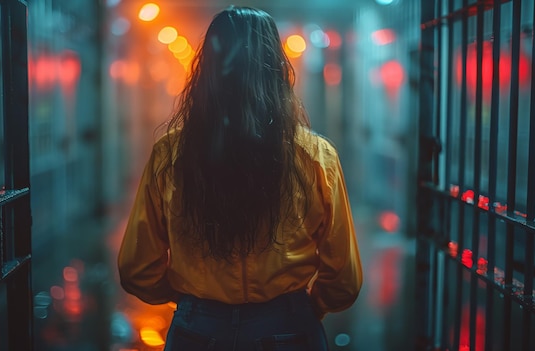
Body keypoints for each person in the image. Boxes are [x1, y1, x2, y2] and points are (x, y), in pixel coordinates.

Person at [118, 5, 363, 350]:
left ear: (208, 71)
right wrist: (306, 308)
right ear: (276, 69)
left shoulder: (170, 154)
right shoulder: (316, 156)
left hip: (198, 331)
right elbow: (345, 280)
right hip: (289, 327)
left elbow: (137, 270)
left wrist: (194, 304)